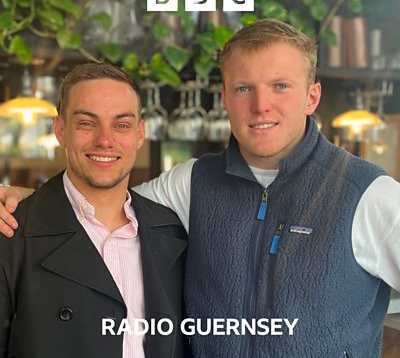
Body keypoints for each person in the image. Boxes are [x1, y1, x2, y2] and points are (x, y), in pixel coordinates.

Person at [1, 19, 400, 357]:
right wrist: (25, 199)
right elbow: (103, 201)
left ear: (312, 96)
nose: (261, 105)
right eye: (243, 88)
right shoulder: (192, 182)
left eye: (281, 85)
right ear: (225, 98)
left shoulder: (369, 194)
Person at [0, 63, 189, 358]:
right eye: (87, 123)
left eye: (121, 125)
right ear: (60, 130)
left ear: (140, 134)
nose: (105, 140)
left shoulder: (171, 230)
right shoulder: (11, 232)